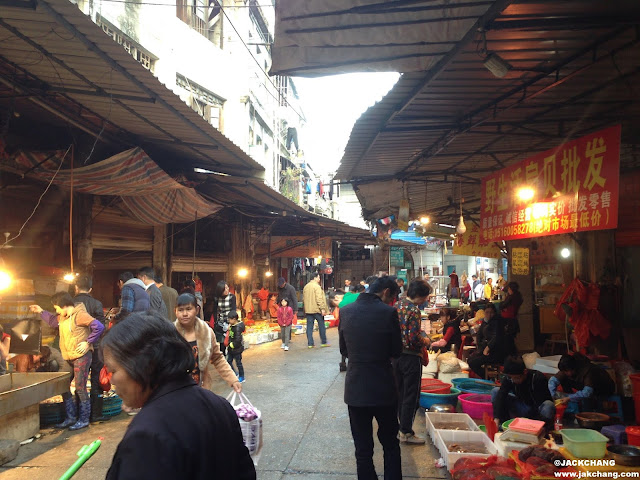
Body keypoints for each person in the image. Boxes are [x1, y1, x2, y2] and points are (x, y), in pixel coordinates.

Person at [103, 313, 256, 480]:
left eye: (113, 371)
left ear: (142, 365)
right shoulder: (219, 405)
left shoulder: (146, 436)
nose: (112, 381)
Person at [339, 276, 403, 480]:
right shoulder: (389, 312)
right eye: (392, 297)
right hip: (383, 387)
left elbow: (344, 350)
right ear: (386, 292)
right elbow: (396, 350)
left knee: (363, 449)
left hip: (356, 389)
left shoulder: (346, 311)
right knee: (390, 444)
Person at [30, 292, 104, 430]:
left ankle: (84, 419)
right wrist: (40, 311)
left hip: (81, 357)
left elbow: (99, 326)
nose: (56, 310)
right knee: (63, 385)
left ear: (64, 306)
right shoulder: (63, 317)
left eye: (57, 307)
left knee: (80, 388)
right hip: (68, 357)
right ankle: (70, 418)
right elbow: (52, 321)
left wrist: (88, 343)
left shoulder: (80, 315)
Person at [173, 293, 241, 393]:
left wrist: (232, 379)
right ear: (175, 311)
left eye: (188, 309)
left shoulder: (207, 333)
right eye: (180, 310)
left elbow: (217, 358)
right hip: (176, 391)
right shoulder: (170, 334)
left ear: (196, 310)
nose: (184, 314)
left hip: (202, 388)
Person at [394, 278, 432, 444]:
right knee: (411, 395)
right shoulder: (413, 311)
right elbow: (413, 338)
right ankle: (406, 432)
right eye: (425, 296)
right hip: (410, 358)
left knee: (399, 393)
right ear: (418, 295)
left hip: (395, 357)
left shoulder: (397, 306)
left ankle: (399, 428)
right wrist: (425, 341)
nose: (425, 299)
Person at [73, 275, 109, 423]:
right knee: (96, 379)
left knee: (79, 382)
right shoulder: (96, 304)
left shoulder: (71, 304)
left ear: (76, 287)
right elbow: (101, 327)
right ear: (90, 289)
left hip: (77, 349)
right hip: (95, 347)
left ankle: (79, 415)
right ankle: (96, 414)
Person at [492, 357, 555, 430]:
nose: (514, 380)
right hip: (521, 407)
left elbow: (541, 403)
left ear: (525, 372)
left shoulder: (538, 378)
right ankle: (504, 426)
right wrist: (496, 418)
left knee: (548, 405)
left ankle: (540, 430)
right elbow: (501, 396)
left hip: (536, 412)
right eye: (511, 378)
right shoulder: (509, 379)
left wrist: (525, 422)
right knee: (495, 391)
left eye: (516, 378)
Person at [549, 352, 615, 412]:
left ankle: (588, 411)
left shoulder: (588, 371)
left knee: (587, 400)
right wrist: (552, 395)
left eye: (566, 371)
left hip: (603, 389)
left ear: (572, 368)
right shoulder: (566, 369)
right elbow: (553, 381)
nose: (564, 373)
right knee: (563, 382)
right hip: (585, 389)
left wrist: (569, 398)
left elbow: (587, 392)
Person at [467, 303, 505, 379]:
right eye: (487, 312)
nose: (489, 314)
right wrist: (480, 347)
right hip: (486, 350)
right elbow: (479, 334)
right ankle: (487, 377)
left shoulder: (497, 322)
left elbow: (496, 337)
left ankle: (487, 378)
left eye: (491, 312)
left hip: (495, 352)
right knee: (470, 359)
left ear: (494, 312)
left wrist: (487, 348)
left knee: (472, 362)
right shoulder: (486, 322)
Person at [303, 272, 329, 348]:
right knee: (321, 326)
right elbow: (319, 299)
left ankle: (310, 344)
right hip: (317, 310)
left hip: (308, 310)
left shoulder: (306, 287)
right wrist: (322, 308)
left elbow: (304, 299)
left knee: (309, 327)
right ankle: (323, 342)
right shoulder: (317, 287)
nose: (319, 279)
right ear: (314, 278)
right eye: (318, 277)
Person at [210, 280, 236, 357]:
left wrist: (231, 322)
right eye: (225, 289)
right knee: (222, 341)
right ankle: (223, 357)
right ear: (220, 290)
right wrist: (215, 322)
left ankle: (230, 357)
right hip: (221, 322)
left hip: (230, 321)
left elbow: (233, 310)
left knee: (230, 340)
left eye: (227, 287)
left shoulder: (232, 297)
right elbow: (214, 311)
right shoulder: (217, 298)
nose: (227, 289)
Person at [500, 281, 523, 356]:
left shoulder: (511, 297)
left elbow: (502, 305)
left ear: (511, 289)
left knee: (508, 340)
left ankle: (512, 356)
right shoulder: (518, 296)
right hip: (513, 320)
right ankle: (514, 356)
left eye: (509, 288)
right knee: (511, 339)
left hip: (508, 321)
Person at [226, 311, 245, 383]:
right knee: (229, 361)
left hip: (237, 349)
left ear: (234, 319)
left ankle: (241, 376)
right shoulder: (232, 326)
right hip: (231, 348)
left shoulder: (237, 328)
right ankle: (234, 373)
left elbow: (237, 340)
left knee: (238, 363)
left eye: (229, 319)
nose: (229, 321)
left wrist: (232, 345)